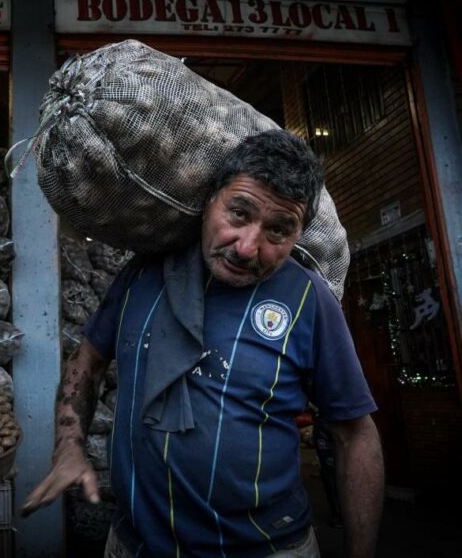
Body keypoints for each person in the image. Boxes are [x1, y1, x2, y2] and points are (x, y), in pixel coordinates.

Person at [22, 129, 384, 558]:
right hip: (135, 545)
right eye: (239, 213)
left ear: (299, 234)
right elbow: (88, 360)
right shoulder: (144, 276)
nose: (248, 247)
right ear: (208, 201)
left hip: (267, 548)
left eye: (278, 230)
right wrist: (68, 446)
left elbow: (355, 435)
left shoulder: (308, 300)